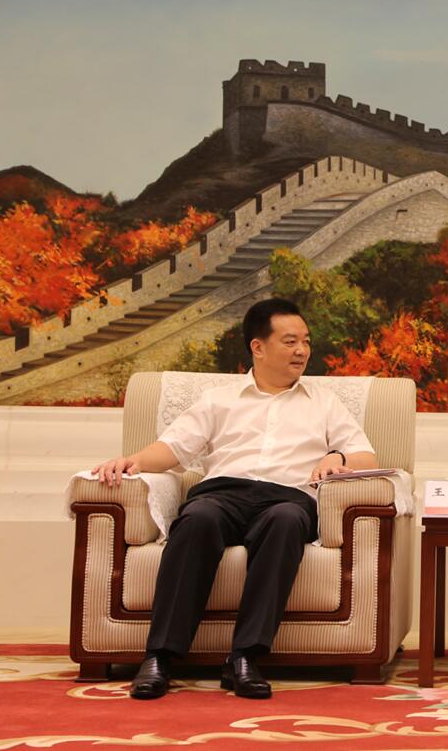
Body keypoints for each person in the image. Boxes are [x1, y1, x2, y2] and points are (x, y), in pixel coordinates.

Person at [92, 298, 378, 700]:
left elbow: (367, 457)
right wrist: (132, 461)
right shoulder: (219, 400)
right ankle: (159, 657)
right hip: (223, 493)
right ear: (258, 347)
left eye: (306, 342)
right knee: (197, 520)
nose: (302, 351)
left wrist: (338, 457)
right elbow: (173, 448)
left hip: (288, 498)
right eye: (290, 341)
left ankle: (244, 657)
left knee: (285, 522)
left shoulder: (324, 402)